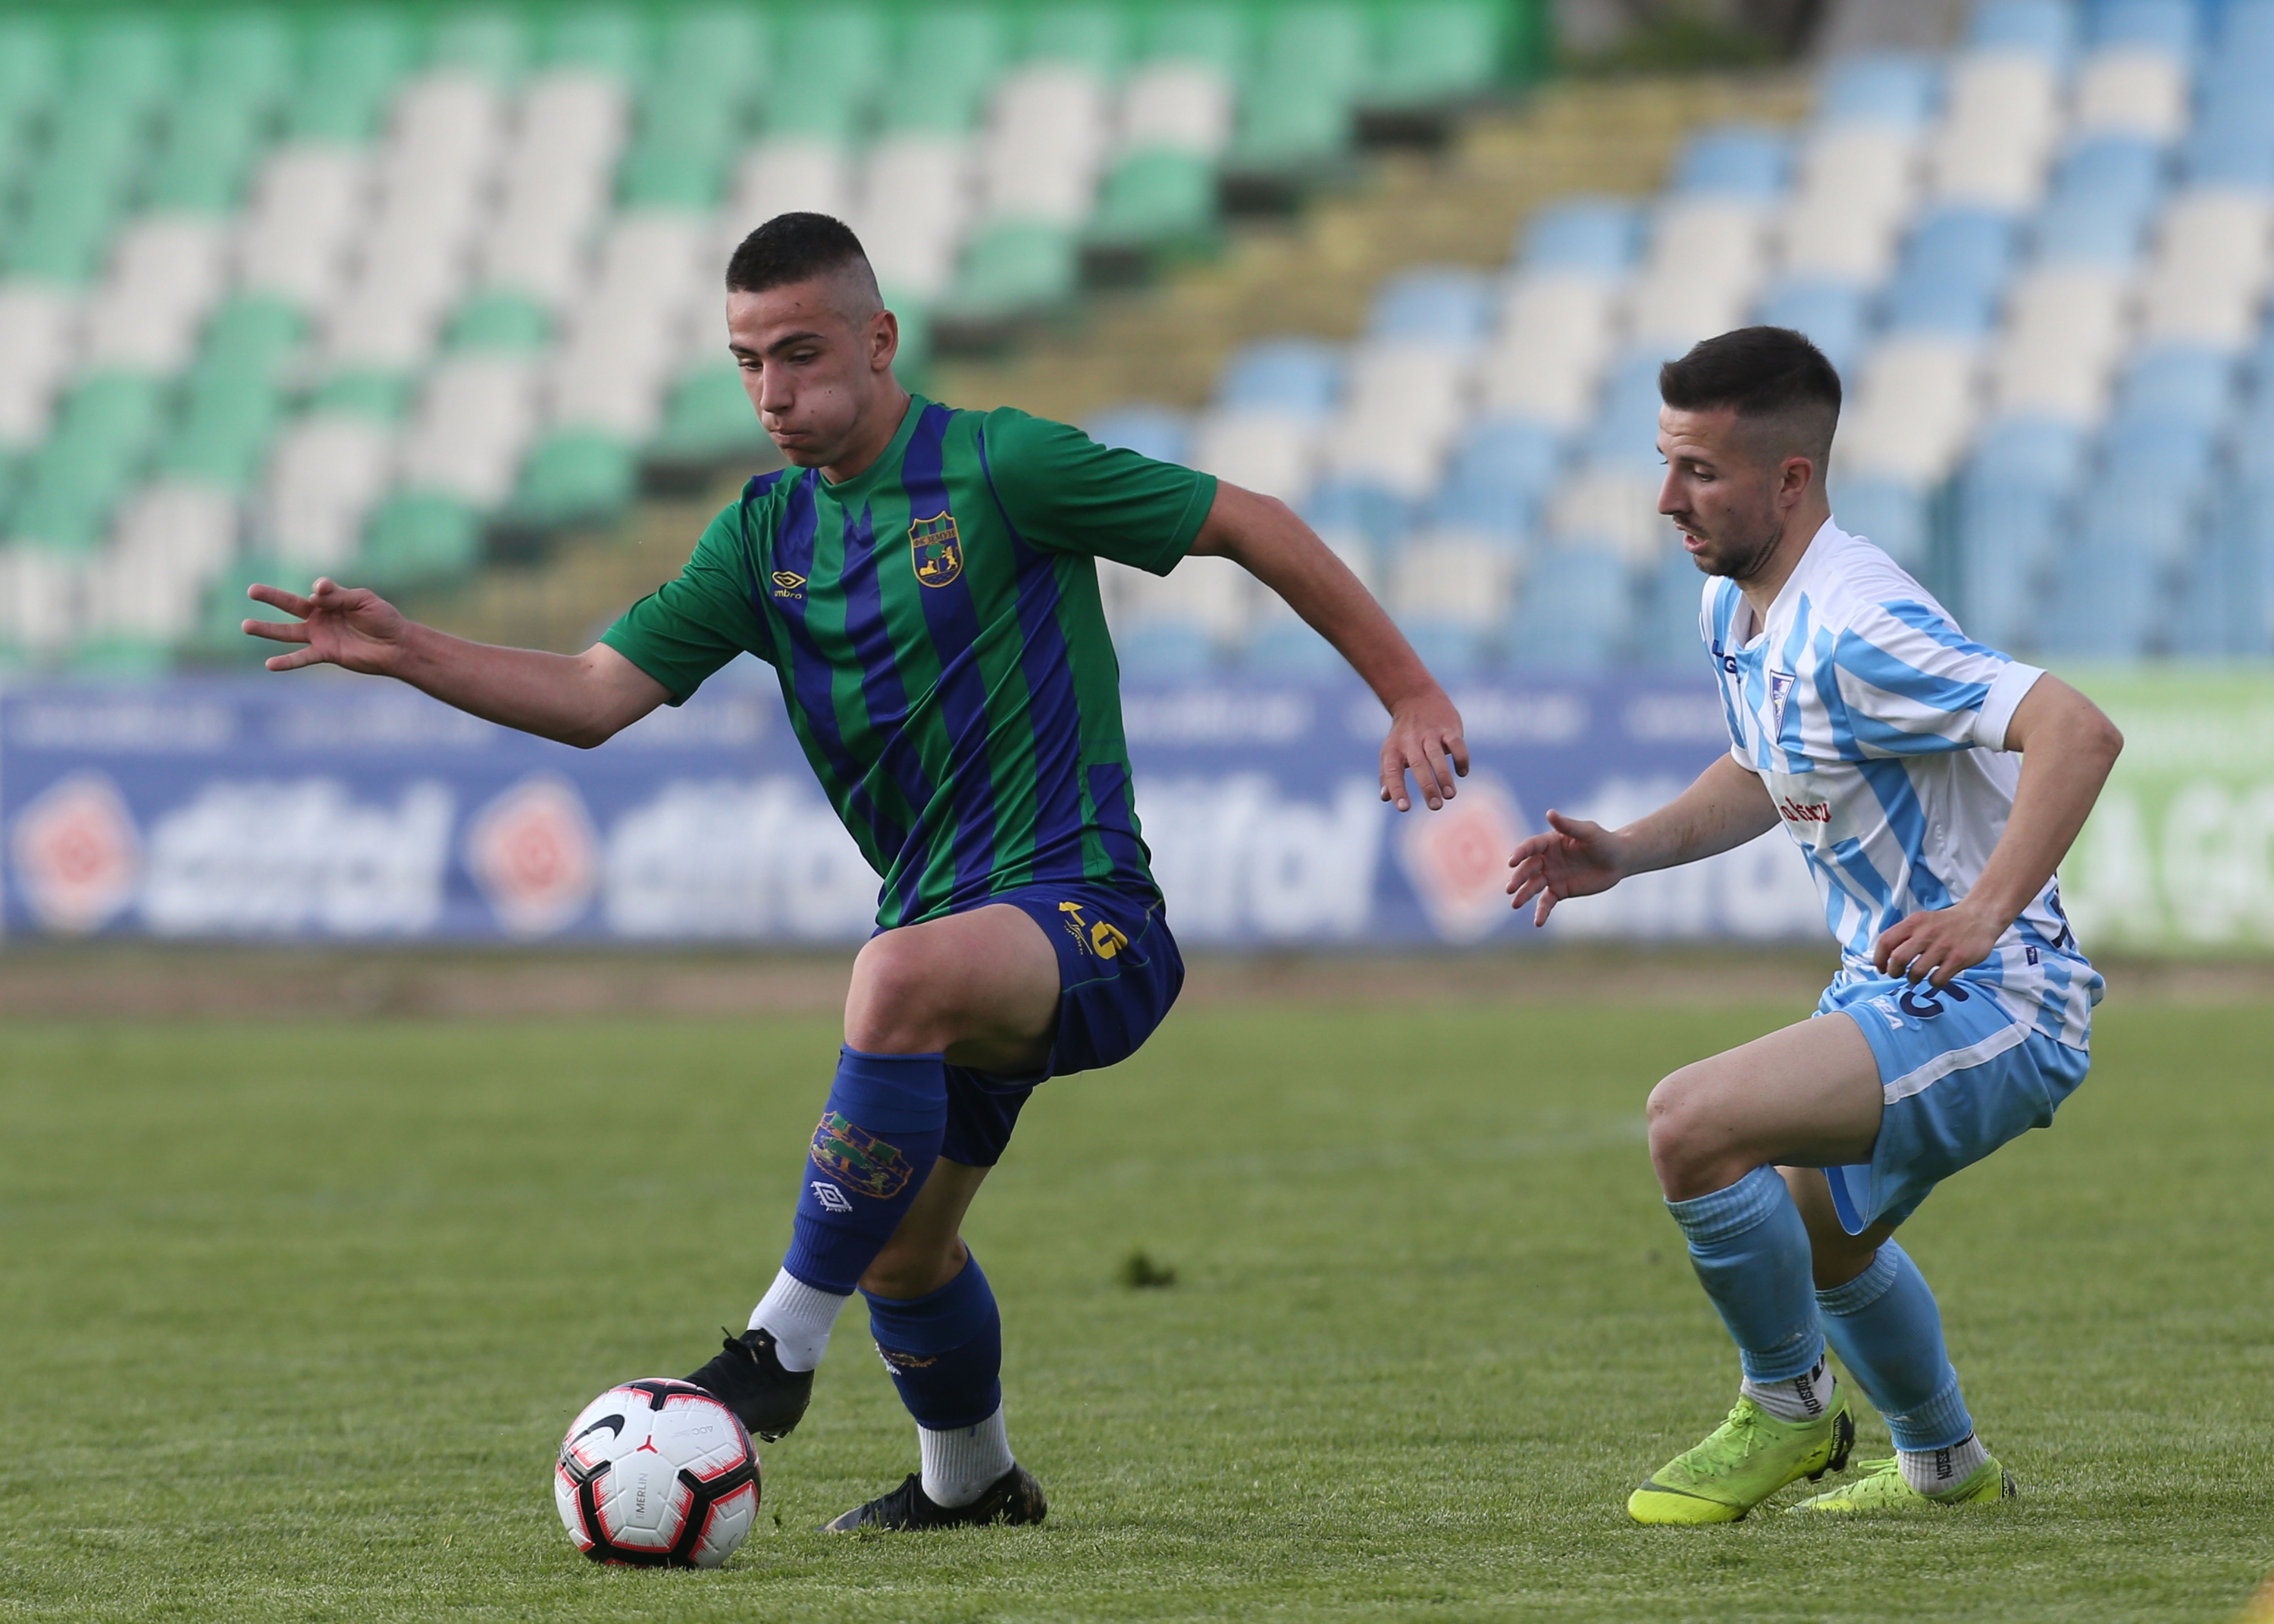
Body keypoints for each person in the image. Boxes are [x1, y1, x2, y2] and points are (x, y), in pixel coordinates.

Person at [244, 212, 1468, 1532]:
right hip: (949, 944)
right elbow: (595, 695)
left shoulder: (1002, 466)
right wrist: (411, 650)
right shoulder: (761, 537)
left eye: (801, 354)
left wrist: (1407, 691)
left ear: (879, 341)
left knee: (892, 981)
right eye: (748, 363)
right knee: (902, 1249)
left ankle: (776, 1347)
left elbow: (1250, 521)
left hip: (1088, 915)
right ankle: (972, 1483)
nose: (773, 393)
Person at [1506, 327, 2122, 1522]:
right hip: (1889, 987)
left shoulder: (1858, 622)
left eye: (1700, 472)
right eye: (1666, 463)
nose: (1667, 500)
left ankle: (1787, 1409)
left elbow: (2078, 731)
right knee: (1820, 1238)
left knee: (1691, 1122)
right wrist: (1626, 852)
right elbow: (1763, 767)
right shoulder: (1734, 610)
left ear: (1791, 480)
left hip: (2000, 999)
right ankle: (1946, 1469)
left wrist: (1984, 911)